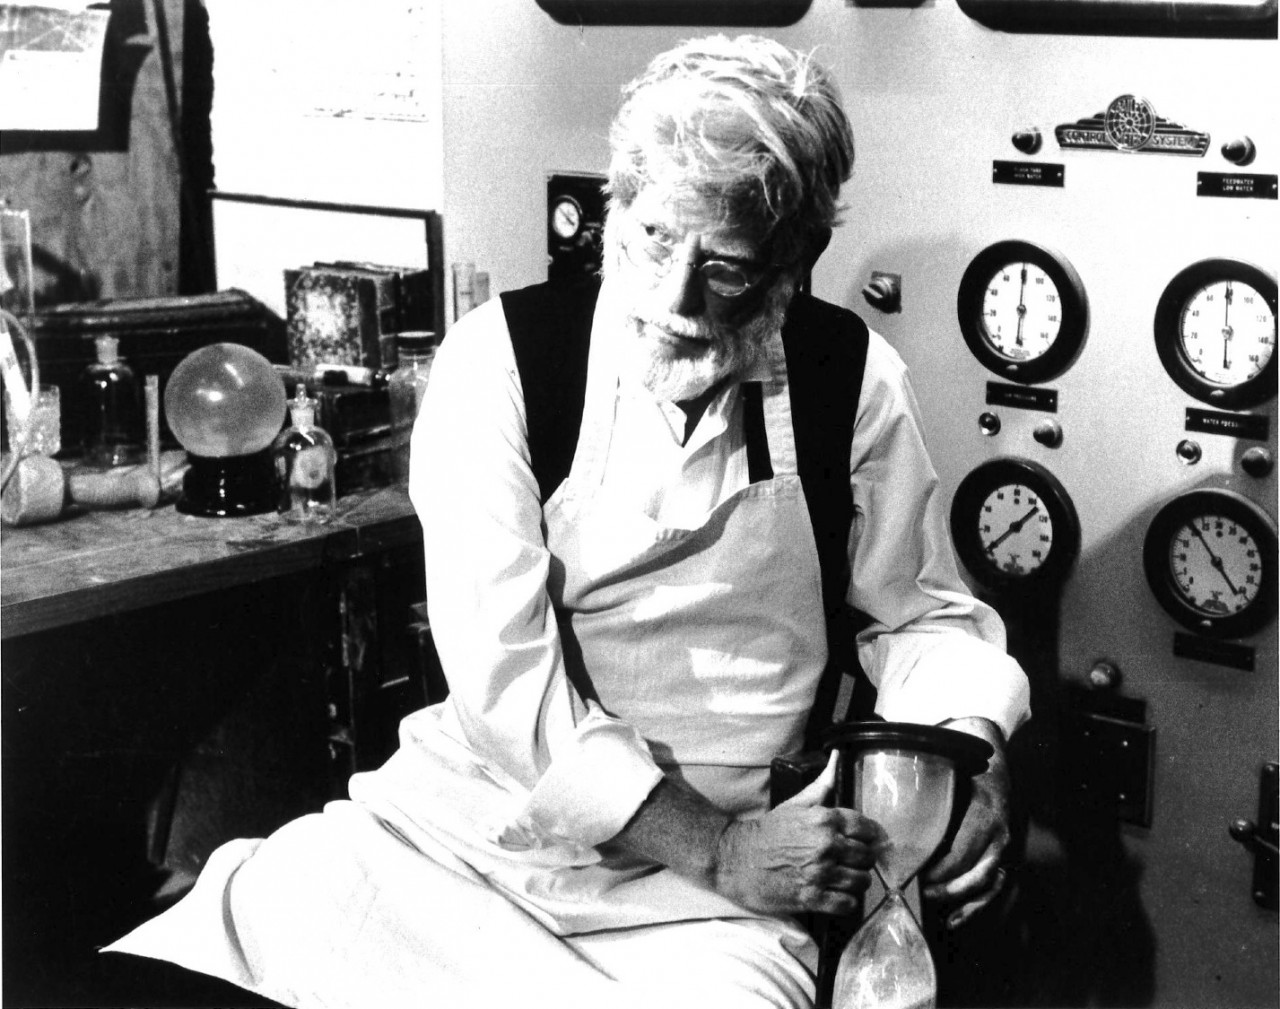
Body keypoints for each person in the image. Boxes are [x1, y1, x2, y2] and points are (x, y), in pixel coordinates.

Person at [106, 34, 1029, 1009]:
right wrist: (711, 844)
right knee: (201, 956)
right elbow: (506, 684)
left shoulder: (851, 380)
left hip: (722, 901)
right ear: (614, 206)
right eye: (653, 238)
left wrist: (970, 758)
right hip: (466, 838)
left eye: (724, 268)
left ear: (796, 259)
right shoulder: (499, 362)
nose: (674, 300)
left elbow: (921, 618)